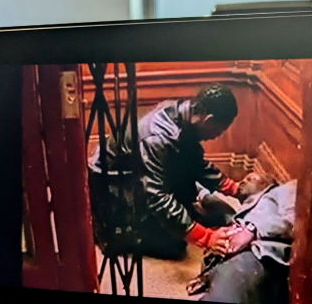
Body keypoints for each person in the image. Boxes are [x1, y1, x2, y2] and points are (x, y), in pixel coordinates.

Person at [89, 83, 242, 259]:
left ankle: (188, 210)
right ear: (208, 119)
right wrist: (205, 237)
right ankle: (125, 233)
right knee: (176, 246)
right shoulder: (158, 139)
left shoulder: (182, 112)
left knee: (183, 208)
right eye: (218, 131)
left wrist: (231, 188)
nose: (216, 136)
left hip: (135, 173)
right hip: (114, 189)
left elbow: (193, 159)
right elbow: (157, 197)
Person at [190, 174, 297, 304]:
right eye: (243, 179)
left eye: (251, 179)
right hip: (234, 259)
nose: (243, 181)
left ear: (268, 184)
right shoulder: (245, 208)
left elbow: (295, 221)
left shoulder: (284, 190)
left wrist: (252, 229)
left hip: (259, 254)